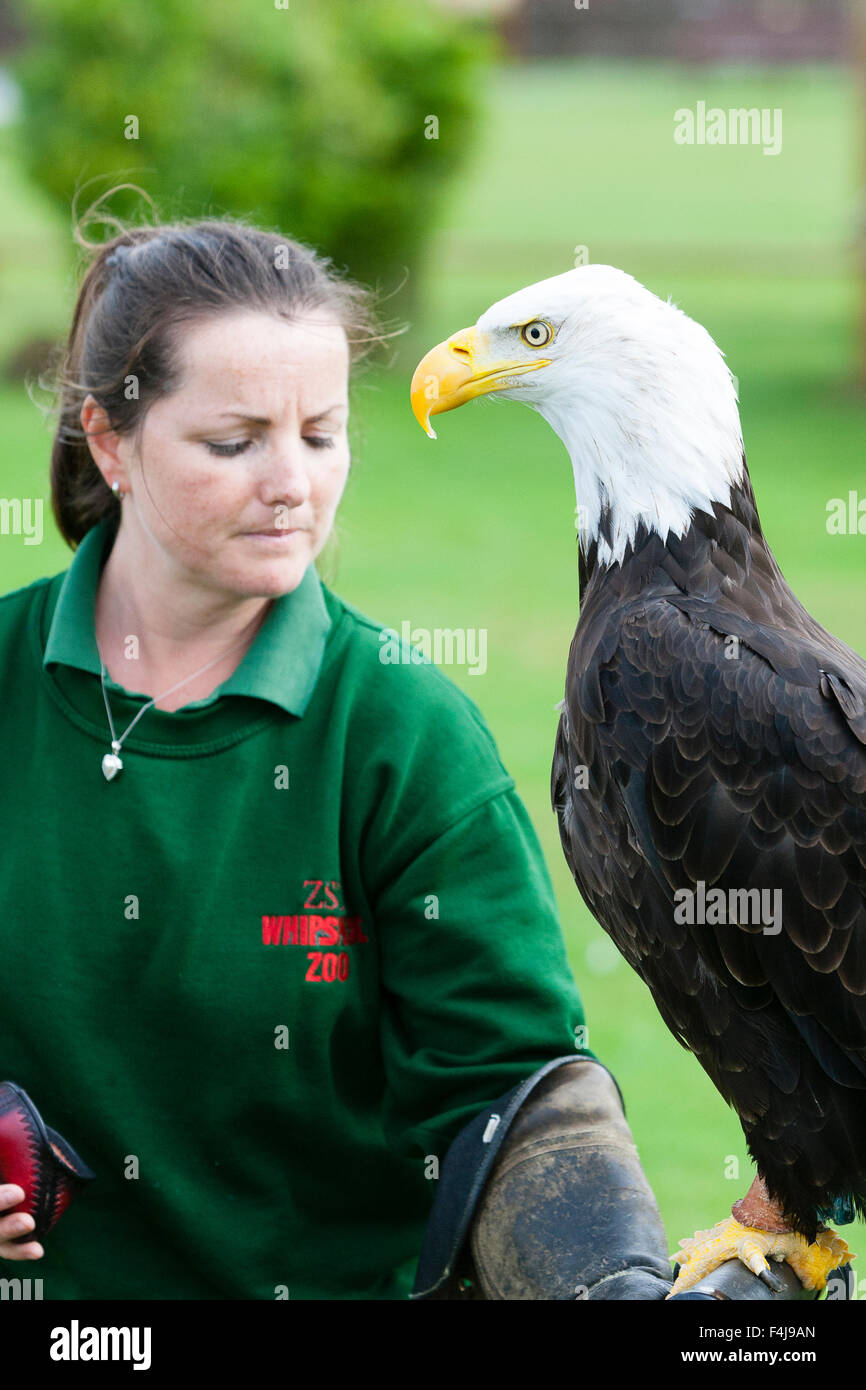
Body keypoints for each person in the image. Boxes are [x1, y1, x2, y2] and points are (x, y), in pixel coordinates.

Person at [0, 202, 672, 1299]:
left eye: (320, 434)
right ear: (111, 440)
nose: (292, 483)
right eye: (234, 442)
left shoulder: (404, 735)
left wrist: (606, 1284)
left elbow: (512, 1099)